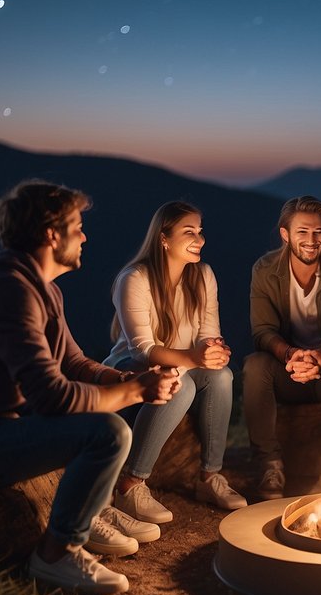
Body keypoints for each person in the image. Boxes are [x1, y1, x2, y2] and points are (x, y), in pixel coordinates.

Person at [0, 180, 179, 595]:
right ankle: (56, 554)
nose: (84, 235)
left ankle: (90, 510)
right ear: (52, 235)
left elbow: (74, 363)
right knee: (109, 432)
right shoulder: (8, 292)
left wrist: (123, 380)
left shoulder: (38, 288)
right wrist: (137, 392)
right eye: (77, 226)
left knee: (100, 409)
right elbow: (54, 397)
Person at [105, 201, 246, 513]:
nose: (200, 239)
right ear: (164, 238)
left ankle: (210, 477)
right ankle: (131, 484)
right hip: (131, 372)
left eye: (200, 231)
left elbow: (208, 331)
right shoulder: (134, 279)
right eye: (189, 232)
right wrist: (195, 359)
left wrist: (215, 351)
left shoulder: (203, 275)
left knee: (222, 376)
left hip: (183, 365)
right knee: (181, 381)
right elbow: (142, 349)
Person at [242, 195, 321, 497]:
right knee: (254, 365)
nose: (312, 240)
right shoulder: (265, 270)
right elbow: (262, 331)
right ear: (285, 235)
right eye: (302, 232)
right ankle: (269, 464)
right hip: (286, 371)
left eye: (318, 232)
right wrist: (290, 354)